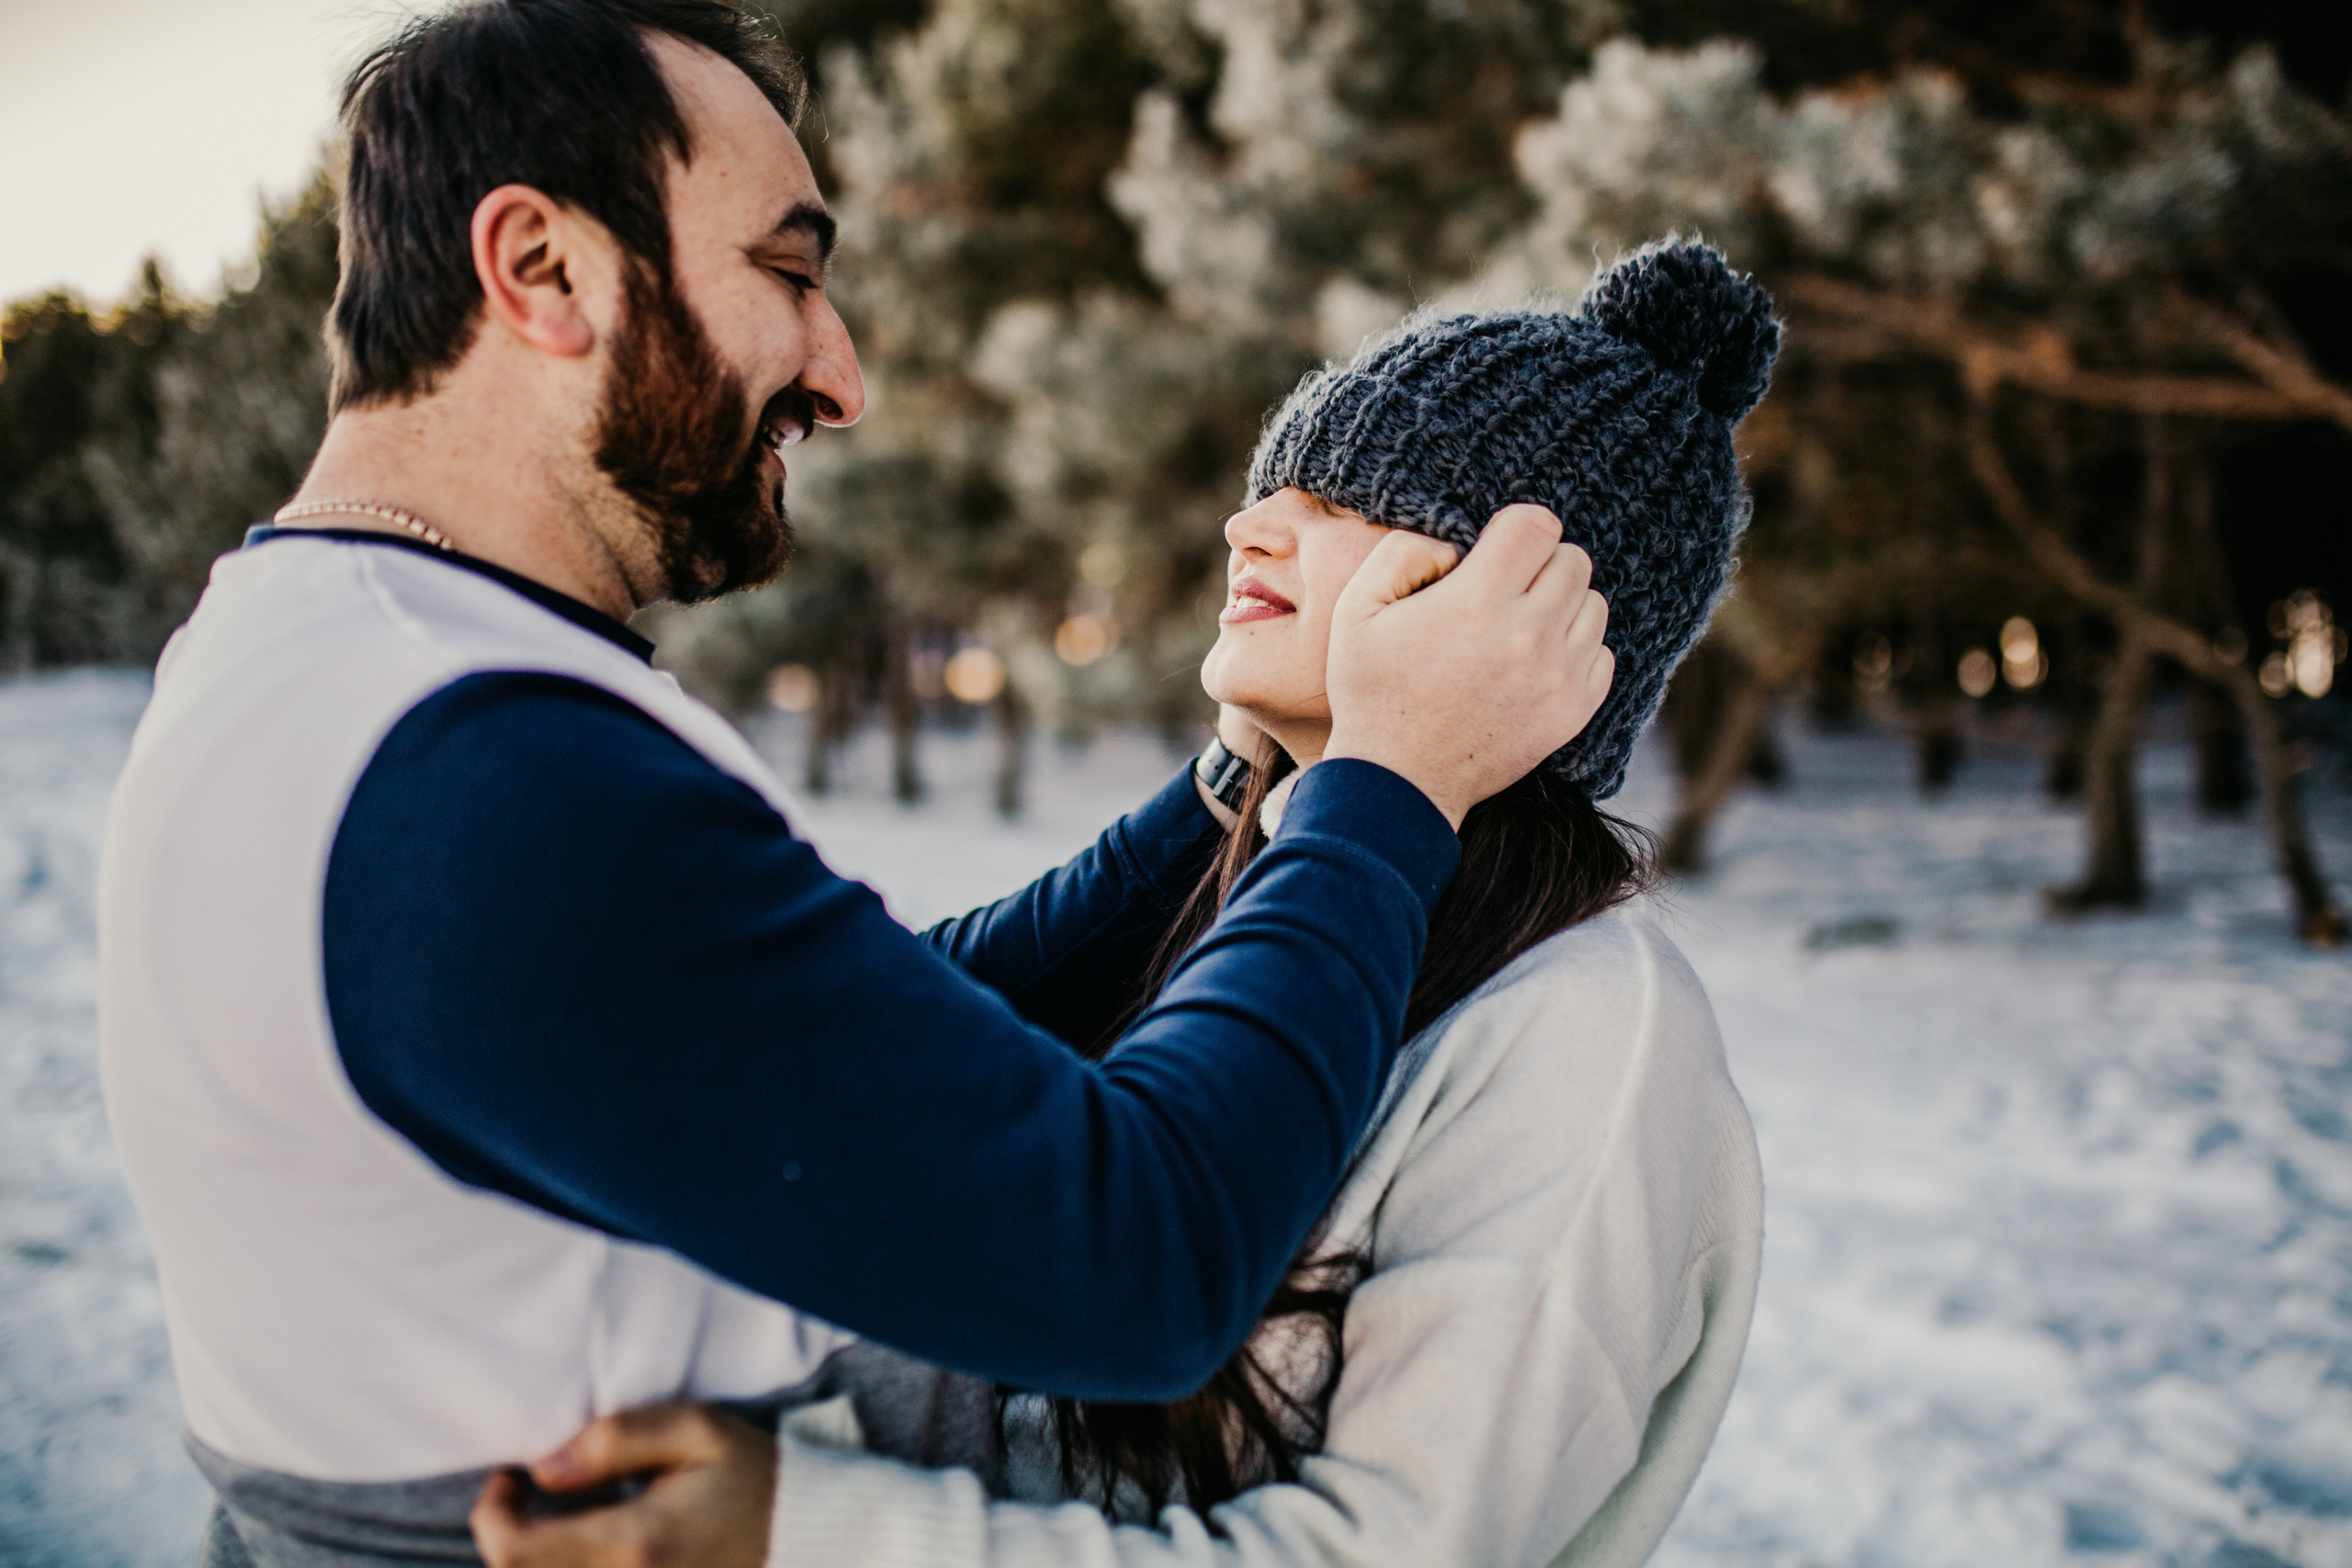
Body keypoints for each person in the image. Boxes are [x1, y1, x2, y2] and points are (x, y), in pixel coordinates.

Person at [93, 4, 1617, 1563]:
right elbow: (1140, 1264)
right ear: (542, 271)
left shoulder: (317, 649)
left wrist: (1242, 785)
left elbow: (835, 1039)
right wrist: (1390, 781)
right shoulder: (497, 784)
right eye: (789, 273)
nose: (842, 376)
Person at [470, 242, 1781, 1568]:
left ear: (1522, 606)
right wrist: (1267, 777)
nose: (1247, 525)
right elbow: (899, 1060)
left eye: (1342, 500)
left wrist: (798, 1529)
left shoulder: (1589, 1029)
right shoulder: (1282, 892)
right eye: (1275, 487)